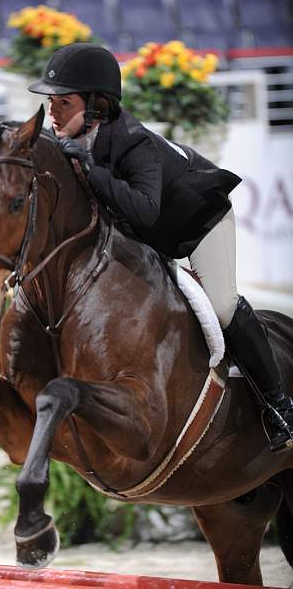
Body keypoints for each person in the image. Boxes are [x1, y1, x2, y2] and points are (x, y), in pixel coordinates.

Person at [28, 42, 293, 451]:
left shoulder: (134, 142)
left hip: (198, 222)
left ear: (97, 105)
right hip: (147, 236)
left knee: (221, 305)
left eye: (63, 102)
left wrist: (89, 169)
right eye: (51, 102)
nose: (52, 112)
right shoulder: (68, 139)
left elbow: (146, 211)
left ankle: (280, 407)